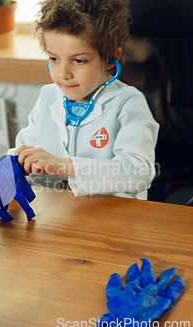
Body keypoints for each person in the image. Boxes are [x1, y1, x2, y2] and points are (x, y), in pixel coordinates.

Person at [12, 0, 159, 199]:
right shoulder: (48, 96)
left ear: (110, 59)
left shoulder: (128, 102)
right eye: (54, 58)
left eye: (79, 60)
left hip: (116, 219)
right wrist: (14, 162)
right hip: (60, 214)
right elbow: (27, 151)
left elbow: (139, 174)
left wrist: (65, 165)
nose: (63, 74)